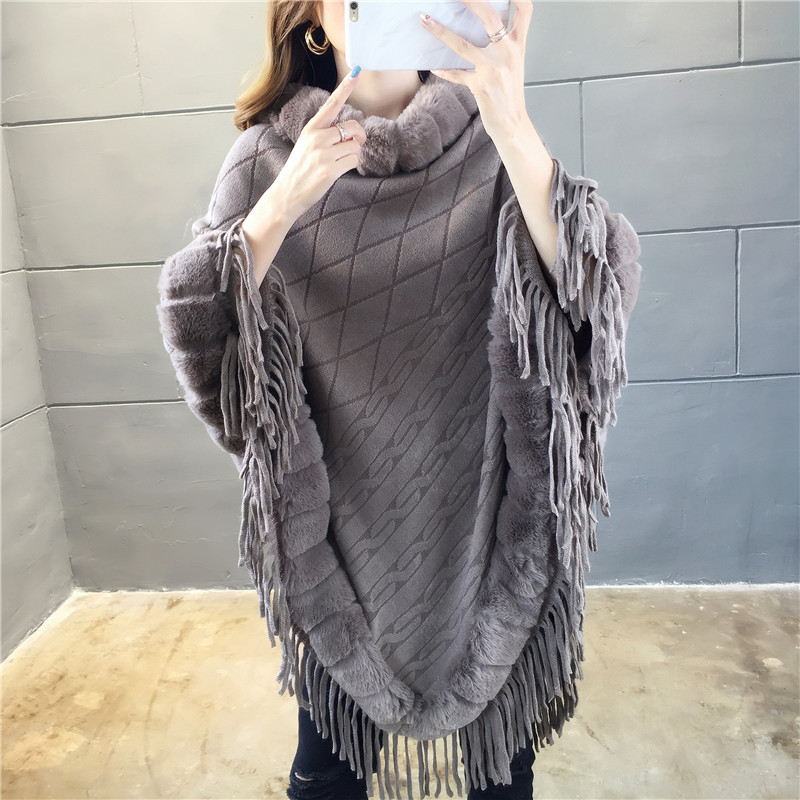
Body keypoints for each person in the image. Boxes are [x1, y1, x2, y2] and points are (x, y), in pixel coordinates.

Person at [156, 1, 642, 798]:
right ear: (316, 19)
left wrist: (515, 125)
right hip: (335, 543)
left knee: (500, 773)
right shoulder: (265, 160)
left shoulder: (490, 137)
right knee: (329, 777)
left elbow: (595, 317)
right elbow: (211, 358)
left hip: (484, 530)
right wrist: (281, 204)